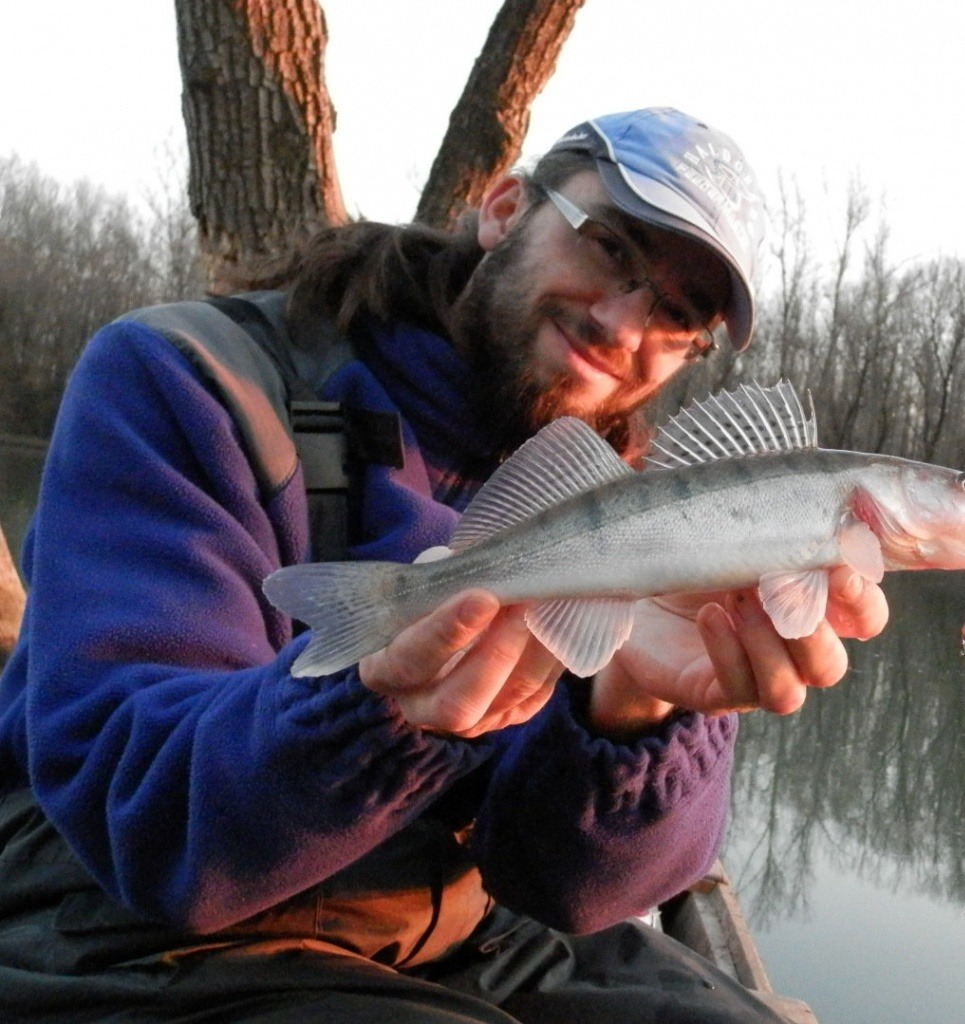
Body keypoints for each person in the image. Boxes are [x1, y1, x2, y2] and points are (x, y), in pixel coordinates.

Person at [0, 107, 887, 1022]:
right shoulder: (186, 379)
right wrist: (379, 715)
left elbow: (572, 894)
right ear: (506, 207)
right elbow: (143, 823)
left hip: (452, 932)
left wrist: (634, 715)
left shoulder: (646, 507)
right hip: (122, 926)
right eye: (611, 249)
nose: (625, 324)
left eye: (677, 313)